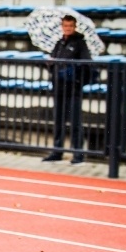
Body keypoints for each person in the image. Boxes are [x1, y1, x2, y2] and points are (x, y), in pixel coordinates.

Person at [42, 14, 92, 166]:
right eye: (65, 26)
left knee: (75, 122)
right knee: (58, 121)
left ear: (75, 26)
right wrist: (50, 64)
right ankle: (57, 151)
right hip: (58, 87)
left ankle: (78, 154)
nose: (68, 28)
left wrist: (73, 72)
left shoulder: (80, 43)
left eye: (70, 26)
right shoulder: (59, 43)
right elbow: (54, 62)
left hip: (73, 88)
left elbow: (86, 63)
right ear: (62, 26)